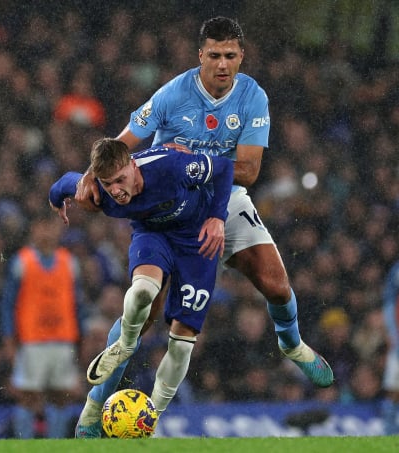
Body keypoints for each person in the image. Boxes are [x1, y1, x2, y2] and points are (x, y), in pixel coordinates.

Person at [73, 16, 333, 437]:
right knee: (145, 309)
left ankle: (292, 344)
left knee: (276, 284)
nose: (223, 64)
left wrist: (191, 160)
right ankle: (92, 408)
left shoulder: (252, 97)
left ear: (241, 57)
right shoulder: (174, 94)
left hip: (220, 197)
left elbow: (247, 170)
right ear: (200, 57)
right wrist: (90, 173)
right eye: (214, 55)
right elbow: (122, 145)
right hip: (168, 205)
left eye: (230, 55)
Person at [50, 137, 234, 434]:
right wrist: (55, 198)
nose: (116, 191)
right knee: (144, 291)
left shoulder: (173, 167)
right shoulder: (98, 191)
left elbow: (224, 168)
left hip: (196, 240)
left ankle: (151, 418)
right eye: (108, 183)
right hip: (153, 235)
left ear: (133, 166)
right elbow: (63, 184)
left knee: (182, 342)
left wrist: (217, 217)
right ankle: (98, 398)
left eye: (121, 180)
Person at [0, 212, 87, 438]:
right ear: (33, 230)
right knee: (29, 396)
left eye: (51, 227)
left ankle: (55, 444)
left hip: (63, 339)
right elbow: (8, 304)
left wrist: (82, 338)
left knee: (61, 396)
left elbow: (78, 305)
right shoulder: (22, 261)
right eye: (42, 227)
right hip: (32, 341)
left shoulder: (69, 262)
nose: (47, 232)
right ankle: (25, 444)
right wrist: (9, 338)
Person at [382, 260, 399, 434]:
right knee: (394, 391)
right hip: (398, 345)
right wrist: (392, 334)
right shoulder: (396, 271)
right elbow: (388, 304)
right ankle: (389, 431)